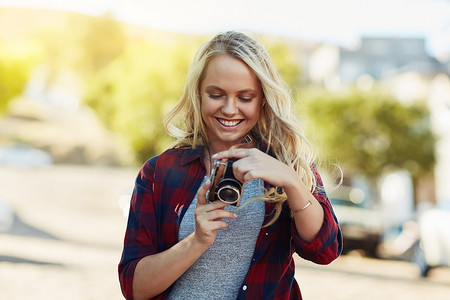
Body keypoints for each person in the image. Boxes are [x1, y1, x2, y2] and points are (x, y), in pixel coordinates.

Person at [118, 31, 342, 300]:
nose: (229, 108)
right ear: (198, 94)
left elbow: (325, 251)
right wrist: (197, 240)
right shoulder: (159, 172)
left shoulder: (290, 162)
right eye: (216, 94)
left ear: (263, 99)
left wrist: (291, 181)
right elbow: (135, 288)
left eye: (245, 98)